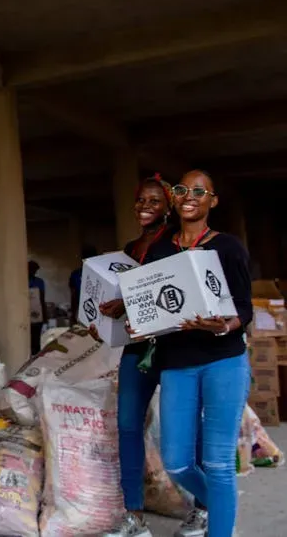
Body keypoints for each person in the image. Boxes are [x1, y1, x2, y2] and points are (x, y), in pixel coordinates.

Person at [101, 174, 208, 537]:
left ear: (168, 207)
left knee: (187, 430)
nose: (145, 207)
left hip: (175, 348)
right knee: (128, 426)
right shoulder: (130, 249)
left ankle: (204, 510)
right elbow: (127, 296)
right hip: (138, 348)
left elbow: (175, 294)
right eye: (140, 200)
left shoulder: (177, 244)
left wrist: (126, 304)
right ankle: (134, 516)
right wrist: (104, 317)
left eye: (154, 201)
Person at [156, 170, 251, 537]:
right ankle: (223, 504)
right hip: (177, 364)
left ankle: (221, 528)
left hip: (223, 361)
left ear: (213, 200)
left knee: (218, 462)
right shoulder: (164, 250)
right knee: (176, 462)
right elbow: (156, 304)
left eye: (200, 191)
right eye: (182, 190)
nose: (189, 196)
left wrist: (225, 325)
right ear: (175, 198)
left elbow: (244, 308)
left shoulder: (228, 247)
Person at [69, 244, 98, 325]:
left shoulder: (75, 275)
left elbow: (73, 296)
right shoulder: (102, 273)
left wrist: (72, 314)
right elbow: (74, 296)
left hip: (83, 310)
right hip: (98, 311)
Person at [28, 260, 48, 354]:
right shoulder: (20, 282)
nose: (33, 271)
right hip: (25, 314)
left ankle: (36, 356)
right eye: (31, 269)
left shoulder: (39, 282)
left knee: (36, 338)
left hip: (37, 312)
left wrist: (44, 315)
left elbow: (42, 299)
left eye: (34, 270)